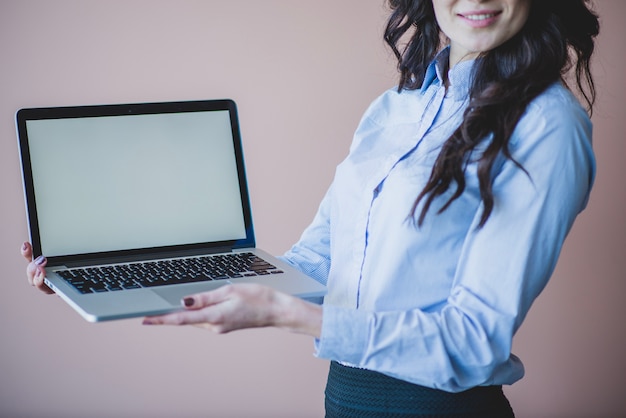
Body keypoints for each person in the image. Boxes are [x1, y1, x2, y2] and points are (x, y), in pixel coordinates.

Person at [22, 0, 600, 416]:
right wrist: (118, 270)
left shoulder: (548, 126)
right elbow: (321, 263)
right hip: (345, 400)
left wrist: (292, 317)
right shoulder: (392, 109)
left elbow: (472, 341)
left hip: (437, 409)